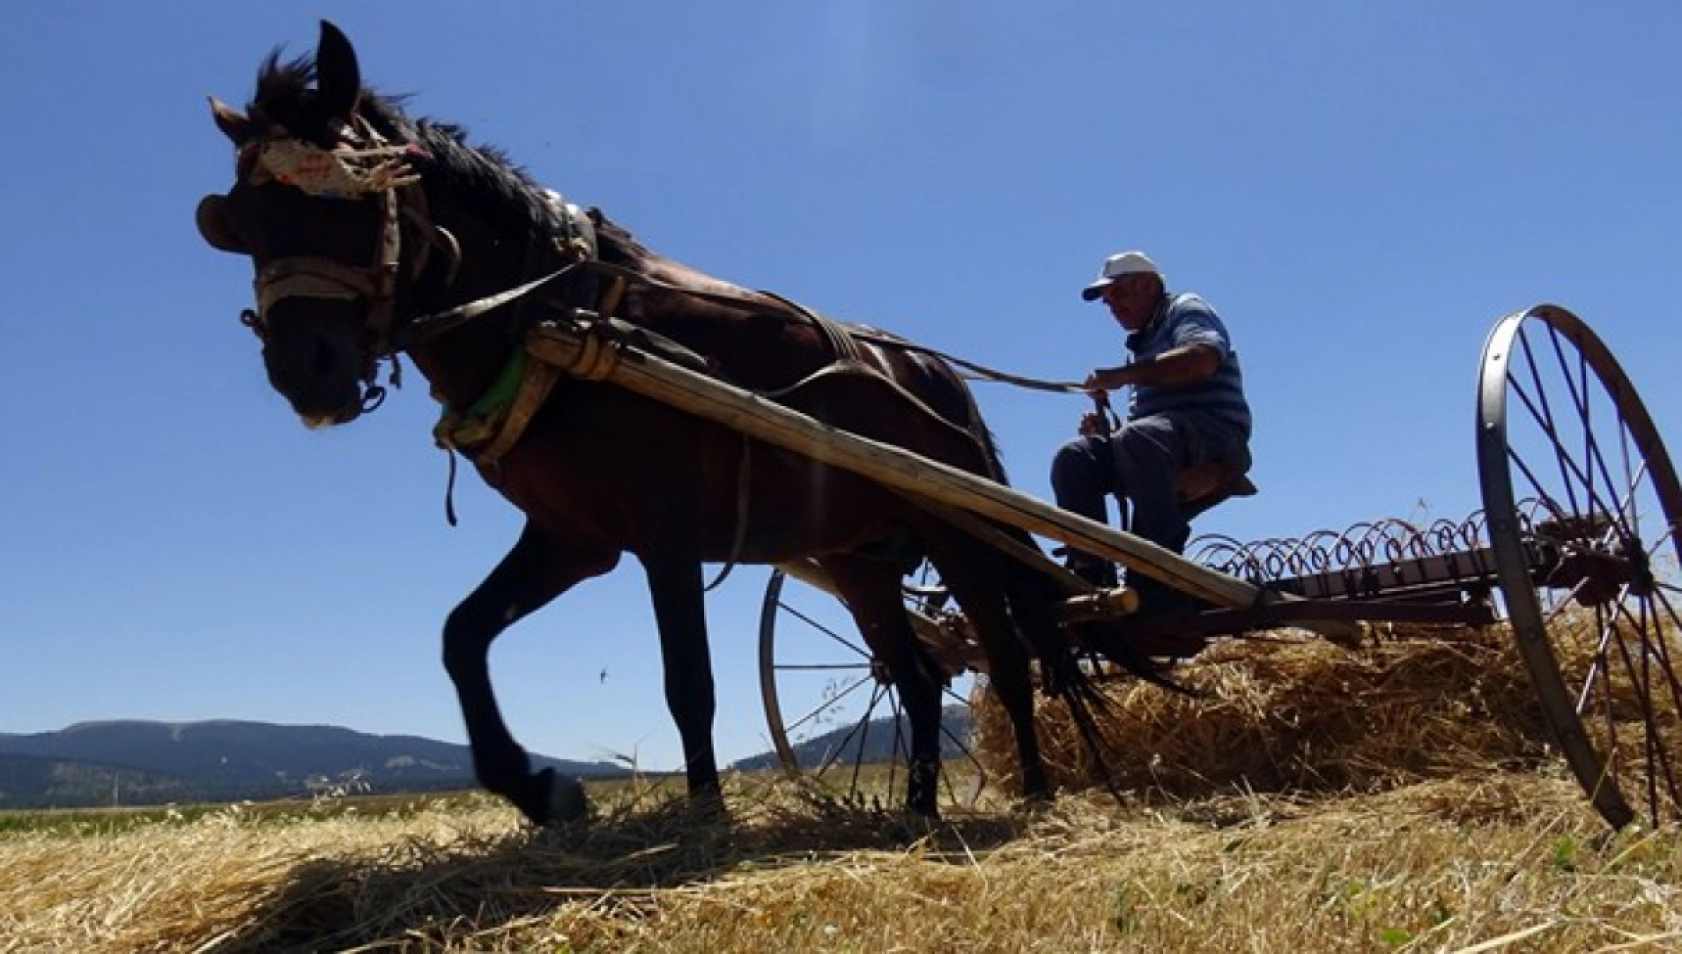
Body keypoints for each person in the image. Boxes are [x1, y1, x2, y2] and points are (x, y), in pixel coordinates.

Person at [1050, 250, 1252, 610]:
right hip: (1163, 439)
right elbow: (1145, 423)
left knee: (1139, 438)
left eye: (1119, 294)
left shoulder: (1186, 309)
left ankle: (1157, 573)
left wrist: (1121, 377)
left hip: (1217, 435)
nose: (1113, 307)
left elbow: (1203, 358)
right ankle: (1090, 573)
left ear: (1150, 285)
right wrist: (1107, 430)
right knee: (1074, 457)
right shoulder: (1141, 347)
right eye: (1108, 301)